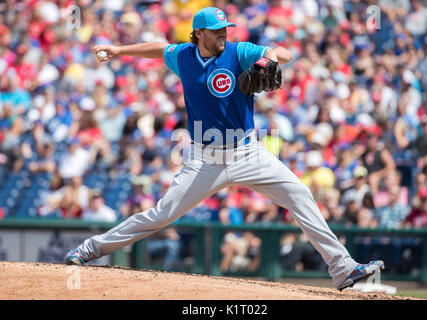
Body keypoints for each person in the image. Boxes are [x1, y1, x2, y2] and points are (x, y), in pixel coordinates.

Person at [65, 7, 383, 291]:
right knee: (162, 214)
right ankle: (90, 249)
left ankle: (343, 270)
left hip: (248, 153)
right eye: (217, 31)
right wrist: (119, 50)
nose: (224, 35)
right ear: (199, 34)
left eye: (225, 29)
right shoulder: (184, 57)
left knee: (299, 194)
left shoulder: (238, 52)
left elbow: (282, 52)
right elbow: (158, 49)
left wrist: (267, 59)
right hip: (205, 159)